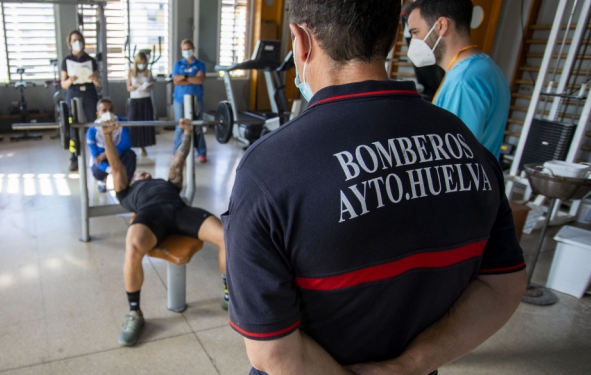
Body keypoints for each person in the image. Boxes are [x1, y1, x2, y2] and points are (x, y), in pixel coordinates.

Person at [224, 1, 527, 374]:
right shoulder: (469, 144)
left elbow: (273, 353)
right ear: (393, 38)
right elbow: (504, 285)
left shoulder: (266, 171)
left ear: (300, 41)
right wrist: (409, 365)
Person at [99, 117, 227, 347]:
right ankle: (134, 313)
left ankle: (229, 293)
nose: (145, 175)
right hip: (150, 215)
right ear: (133, 179)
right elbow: (116, 165)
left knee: (227, 236)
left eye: (148, 174)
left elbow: (179, 158)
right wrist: (107, 135)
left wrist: (187, 132)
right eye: (140, 174)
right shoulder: (126, 192)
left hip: (179, 211)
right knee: (133, 247)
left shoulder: (168, 183)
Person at [406, 0, 510, 160]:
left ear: (441, 25)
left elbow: (452, 158)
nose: (414, 41)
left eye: (415, 32)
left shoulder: (463, 81)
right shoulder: (486, 67)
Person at [61, 30, 100, 172]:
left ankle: (97, 156)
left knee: (94, 124)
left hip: (89, 92)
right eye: (74, 40)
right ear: (70, 43)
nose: (77, 42)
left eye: (79, 39)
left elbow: (98, 83)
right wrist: (70, 80)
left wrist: (94, 79)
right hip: (73, 92)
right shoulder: (66, 61)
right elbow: (63, 84)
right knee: (73, 126)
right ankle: (73, 157)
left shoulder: (91, 60)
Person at [86, 98, 135, 193]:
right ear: (98, 113)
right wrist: (112, 170)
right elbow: (96, 157)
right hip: (102, 160)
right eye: (104, 110)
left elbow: (126, 144)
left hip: (118, 155)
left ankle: (126, 182)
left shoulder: (122, 123)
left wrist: (106, 154)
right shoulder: (92, 131)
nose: (108, 113)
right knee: (98, 168)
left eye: (111, 109)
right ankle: (103, 180)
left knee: (130, 155)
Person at [172, 39, 207, 163]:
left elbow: (200, 80)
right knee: (180, 127)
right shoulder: (177, 64)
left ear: (193, 49)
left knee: (198, 126)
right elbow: (176, 80)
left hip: (196, 99)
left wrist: (184, 79)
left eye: (189, 49)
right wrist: (191, 77)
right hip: (180, 100)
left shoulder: (200, 64)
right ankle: (177, 151)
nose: (187, 51)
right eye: (184, 49)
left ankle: (201, 152)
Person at [126, 52, 156, 157]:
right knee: (133, 123)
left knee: (145, 124)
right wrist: (135, 86)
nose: (142, 65)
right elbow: (128, 87)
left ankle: (143, 146)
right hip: (135, 100)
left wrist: (146, 87)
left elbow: (150, 86)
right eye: (140, 63)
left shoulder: (148, 72)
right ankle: (131, 144)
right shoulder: (131, 72)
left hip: (145, 100)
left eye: (143, 63)